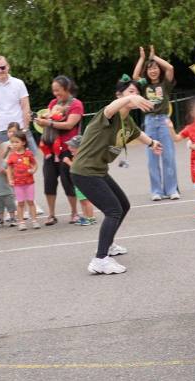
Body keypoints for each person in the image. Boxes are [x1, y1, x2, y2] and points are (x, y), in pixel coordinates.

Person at [71, 76, 163, 274]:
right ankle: (100, 259)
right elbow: (111, 107)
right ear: (119, 95)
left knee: (123, 205)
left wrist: (152, 143)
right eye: (130, 92)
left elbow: (137, 133)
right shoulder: (108, 115)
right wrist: (130, 99)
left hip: (98, 171)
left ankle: (108, 244)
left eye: (136, 92)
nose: (135, 95)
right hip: (85, 171)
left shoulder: (127, 121)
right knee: (113, 210)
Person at [33, 76, 84, 225]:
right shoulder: (53, 103)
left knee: (67, 180)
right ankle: (51, 214)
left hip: (68, 148)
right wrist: (41, 121)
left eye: (58, 90)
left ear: (66, 88)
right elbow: (48, 121)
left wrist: (49, 122)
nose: (55, 94)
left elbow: (69, 125)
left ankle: (74, 213)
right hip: (50, 146)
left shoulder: (76, 104)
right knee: (49, 180)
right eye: (53, 91)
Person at [133, 45, 179, 201]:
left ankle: (172, 189)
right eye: (150, 68)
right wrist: (142, 58)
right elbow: (135, 76)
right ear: (147, 71)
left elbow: (170, 67)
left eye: (155, 68)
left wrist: (154, 56)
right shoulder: (145, 84)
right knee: (152, 158)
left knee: (168, 156)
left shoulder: (165, 84)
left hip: (164, 120)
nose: (153, 71)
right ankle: (156, 191)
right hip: (150, 121)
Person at [0, 55, 38, 153]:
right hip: (0, 131)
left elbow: (25, 107)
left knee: (30, 159)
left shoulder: (19, 83)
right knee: (4, 165)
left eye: (2, 67)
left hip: (20, 129)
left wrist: (26, 128)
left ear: (8, 66)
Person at [6, 133, 40, 231]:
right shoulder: (12, 156)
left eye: (17, 142)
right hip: (18, 184)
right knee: (20, 203)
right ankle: (21, 222)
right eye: (12, 142)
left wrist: (33, 170)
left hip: (29, 182)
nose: (14, 144)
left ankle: (34, 221)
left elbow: (35, 164)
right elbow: (9, 169)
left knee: (30, 202)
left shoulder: (28, 154)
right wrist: (10, 179)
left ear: (23, 142)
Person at [60, 135, 96, 226]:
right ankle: (85, 216)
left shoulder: (81, 157)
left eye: (73, 147)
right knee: (82, 201)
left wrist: (68, 162)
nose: (69, 148)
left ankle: (91, 218)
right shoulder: (76, 156)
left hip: (84, 182)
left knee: (86, 201)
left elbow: (77, 168)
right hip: (78, 182)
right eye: (70, 146)